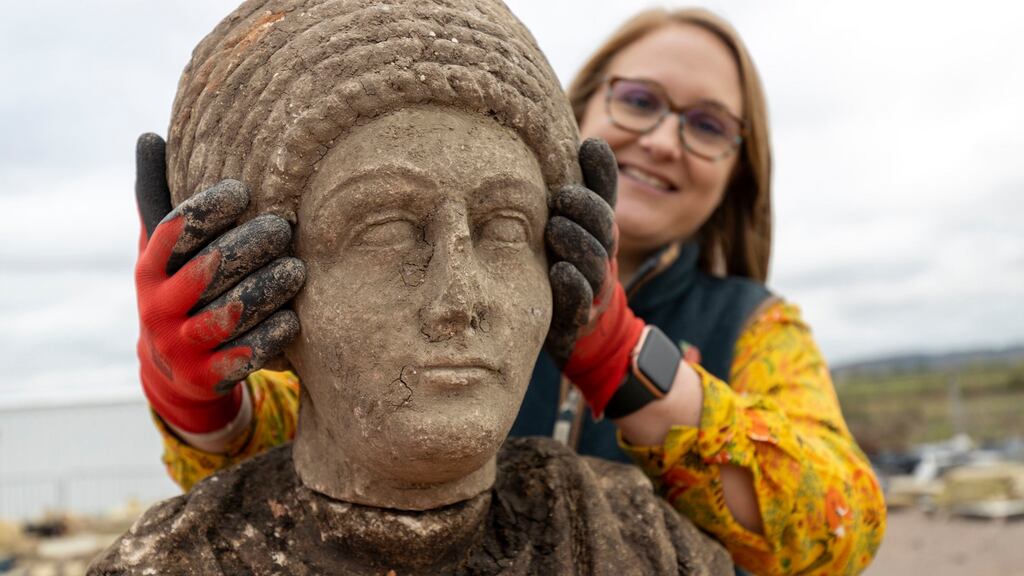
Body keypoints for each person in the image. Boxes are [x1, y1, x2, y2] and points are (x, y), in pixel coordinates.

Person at [132, 5, 885, 575]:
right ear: (583, 107)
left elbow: (838, 530)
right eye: (641, 101)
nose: (663, 140)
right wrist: (201, 400)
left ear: (738, 169)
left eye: (709, 124)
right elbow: (279, 460)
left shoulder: (752, 325)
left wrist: (626, 362)